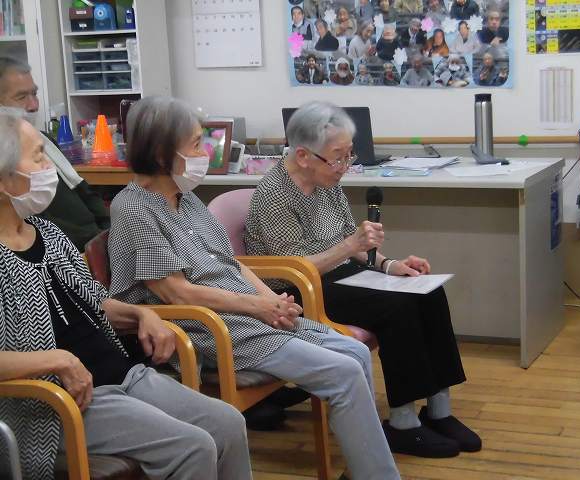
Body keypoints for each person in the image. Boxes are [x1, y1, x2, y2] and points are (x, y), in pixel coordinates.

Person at [107, 96, 401, 480]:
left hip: (246, 314)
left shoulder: (188, 199)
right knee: (342, 371)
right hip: (210, 327)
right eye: (196, 144)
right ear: (163, 153)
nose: (205, 152)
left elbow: (232, 264)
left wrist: (271, 299)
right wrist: (256, 307)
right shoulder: (133, 208)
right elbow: (176, 293)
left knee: (354, 353)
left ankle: (362, 463)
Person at [0, 112, 252, 480]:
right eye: (38, 156)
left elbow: (92, 302)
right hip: (59, 404)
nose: (49, 167)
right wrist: (58, 360)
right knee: (193, 446)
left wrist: (141, 316)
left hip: (121, 375)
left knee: (228, 422)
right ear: (4, 178)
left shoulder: (47, 233)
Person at [245, 101, 482, 459]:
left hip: (337, 272)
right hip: (297, 289)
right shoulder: (273, 195)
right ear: (303, 155)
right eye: (337, 157)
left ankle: (439, 410)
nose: (344, 167)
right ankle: (402, 424)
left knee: (426, 291)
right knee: (397, 306)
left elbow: (349, 239)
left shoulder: (325, 179)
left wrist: (390, 266)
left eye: (348, 156)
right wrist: (351, 245)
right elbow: (293, 269)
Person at [0, 56, 109, 251]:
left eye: (35, 94)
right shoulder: (8, 159)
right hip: (68, 249)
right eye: (21, 97)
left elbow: (83, 190)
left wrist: (108, 231)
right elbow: (39, 221)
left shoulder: (44, 140)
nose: (33, 105)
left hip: (94, 243)